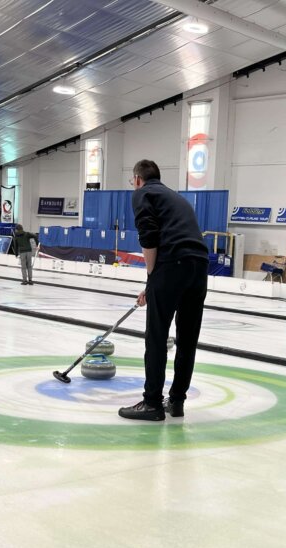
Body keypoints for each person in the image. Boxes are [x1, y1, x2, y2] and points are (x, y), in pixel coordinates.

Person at [118, 159, 209, 421]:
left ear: (138, 179)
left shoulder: (142, 193)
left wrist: (152, 278)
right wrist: (153, 284)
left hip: (173, 263)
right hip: (199, 266)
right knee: (187, 339)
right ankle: (177, 401)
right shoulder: (176, 198)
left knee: (156, 336)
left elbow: (149, 237)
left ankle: (152, 403)